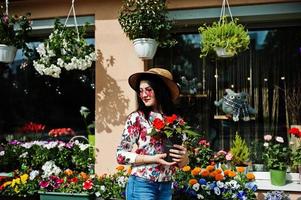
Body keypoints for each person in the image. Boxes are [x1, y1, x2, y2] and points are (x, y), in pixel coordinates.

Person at [116, 67, 189, 200]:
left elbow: (182, 163)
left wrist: (184, 157)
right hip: (142, 184)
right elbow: (120, 155)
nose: (143, 95)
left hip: (166, 186)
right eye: (141, 91)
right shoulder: (137, 118)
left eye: (148, 90)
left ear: (161, 90)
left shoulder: (176, 121)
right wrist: (153, 159)